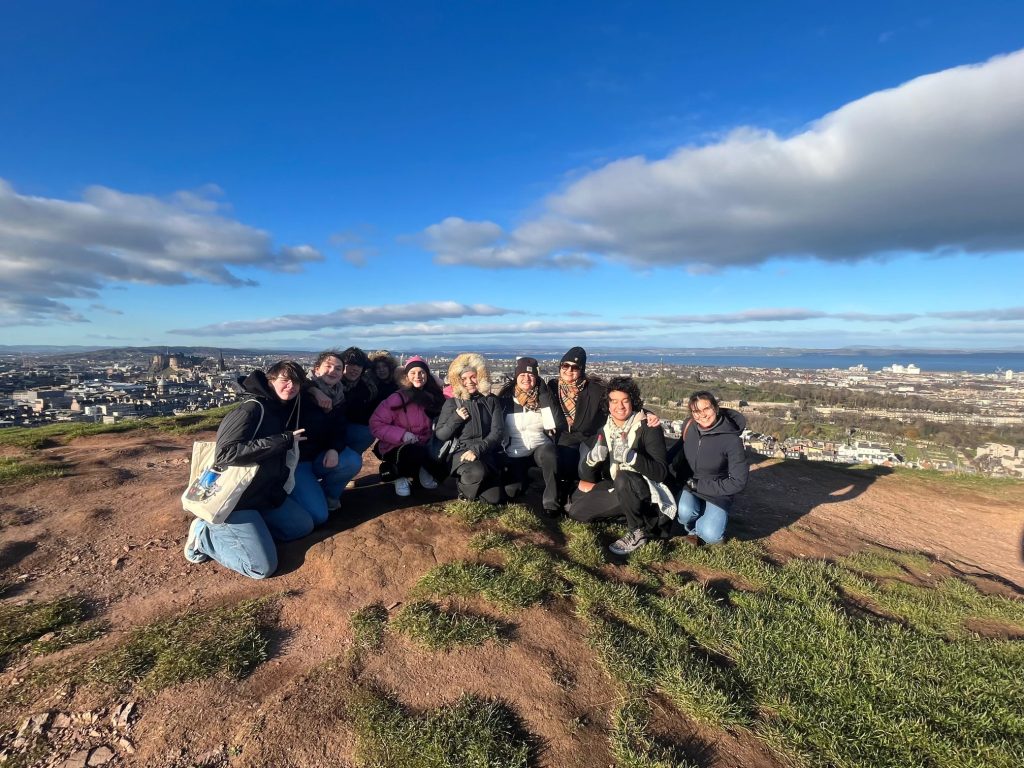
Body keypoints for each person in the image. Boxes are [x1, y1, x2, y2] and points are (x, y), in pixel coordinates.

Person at [183, 361, 319, 579]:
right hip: (235, 499)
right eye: (285, 380)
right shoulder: (252, 408)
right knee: (260, 568)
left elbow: (317, 382)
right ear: (270, 381)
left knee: (301, 527)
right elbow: (225, 453)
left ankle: (255, 534)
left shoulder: (283, 407)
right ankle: (203, 535)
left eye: (296, 382)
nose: (291, 386)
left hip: (263, 494)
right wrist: (282, 440)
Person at [566, 376, 677, 556]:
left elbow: (661, 473)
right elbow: (587, 474)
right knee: (577, 512)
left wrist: (632, 457)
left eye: (625, 401)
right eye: (614, 401)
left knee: (623, 477)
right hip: (618, 487)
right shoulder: (606, 429)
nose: (620, 406)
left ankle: (638, 531)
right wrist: (592, 459)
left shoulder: (648, 427)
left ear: (632, 402)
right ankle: (630, 516)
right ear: (608, 404)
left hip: (646, 490)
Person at [670, 391, 748, 545]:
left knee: (711, 536)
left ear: (715, 408)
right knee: (685, 512)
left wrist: (700, 486)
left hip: (717, 491)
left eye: (706, 409)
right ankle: (692, 526)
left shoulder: (731, 440)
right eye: (696, 411)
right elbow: (678, 450)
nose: (702, 415)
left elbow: (738, 481)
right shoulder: (689, 426)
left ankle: (701, 527)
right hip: (691, 485)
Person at [369, 356, 447, 496]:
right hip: (397, 446)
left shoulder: (433, 396)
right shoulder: (397, 398)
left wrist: (440, 382)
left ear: (428, 375)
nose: (417, 376)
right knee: (412, 452)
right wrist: (402, 435)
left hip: (424, 443)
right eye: (412, 373)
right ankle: (399, 476)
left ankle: (423, 470)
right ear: (406, 376)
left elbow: (452, 397)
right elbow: (376, 423)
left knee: (441, 462)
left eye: (422, 372)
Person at [497, 356, 566, 514]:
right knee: (512, 491)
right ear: (516, 377)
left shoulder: (544, 399)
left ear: (537, 378)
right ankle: (526, 479)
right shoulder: (505, 400)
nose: (526, 379)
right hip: (514, 452)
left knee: (550, 453)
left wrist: (543, 392)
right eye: (522, 375)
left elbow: (557, 423)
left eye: (531, 375)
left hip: (539, 448)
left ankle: (551, 503)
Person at [435, 353, 504, 504]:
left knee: (494, 498)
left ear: (480, 376)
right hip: (460, 454)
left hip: (485, 452)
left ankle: (474, 484)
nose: (469, 382)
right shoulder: (452, 403)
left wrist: (478, 449)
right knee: (476, 471)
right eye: (464, 379)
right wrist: (456, 418)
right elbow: (441, 434)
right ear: (458, 381)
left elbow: (497, 432)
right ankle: (463, 490)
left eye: (473, 377)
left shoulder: (491, 400)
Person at [303, 350, 363, 512]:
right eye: (328, 366)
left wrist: (333, 448)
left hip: (317, 454)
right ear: (316, 369)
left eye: (338, 368)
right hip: (298, 460)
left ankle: (327, 495)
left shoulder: (339, 395)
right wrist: (313, 390)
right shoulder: (300, 391)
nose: (333, 371)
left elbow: (338, 426)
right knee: (317, 516)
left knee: (352, 461)